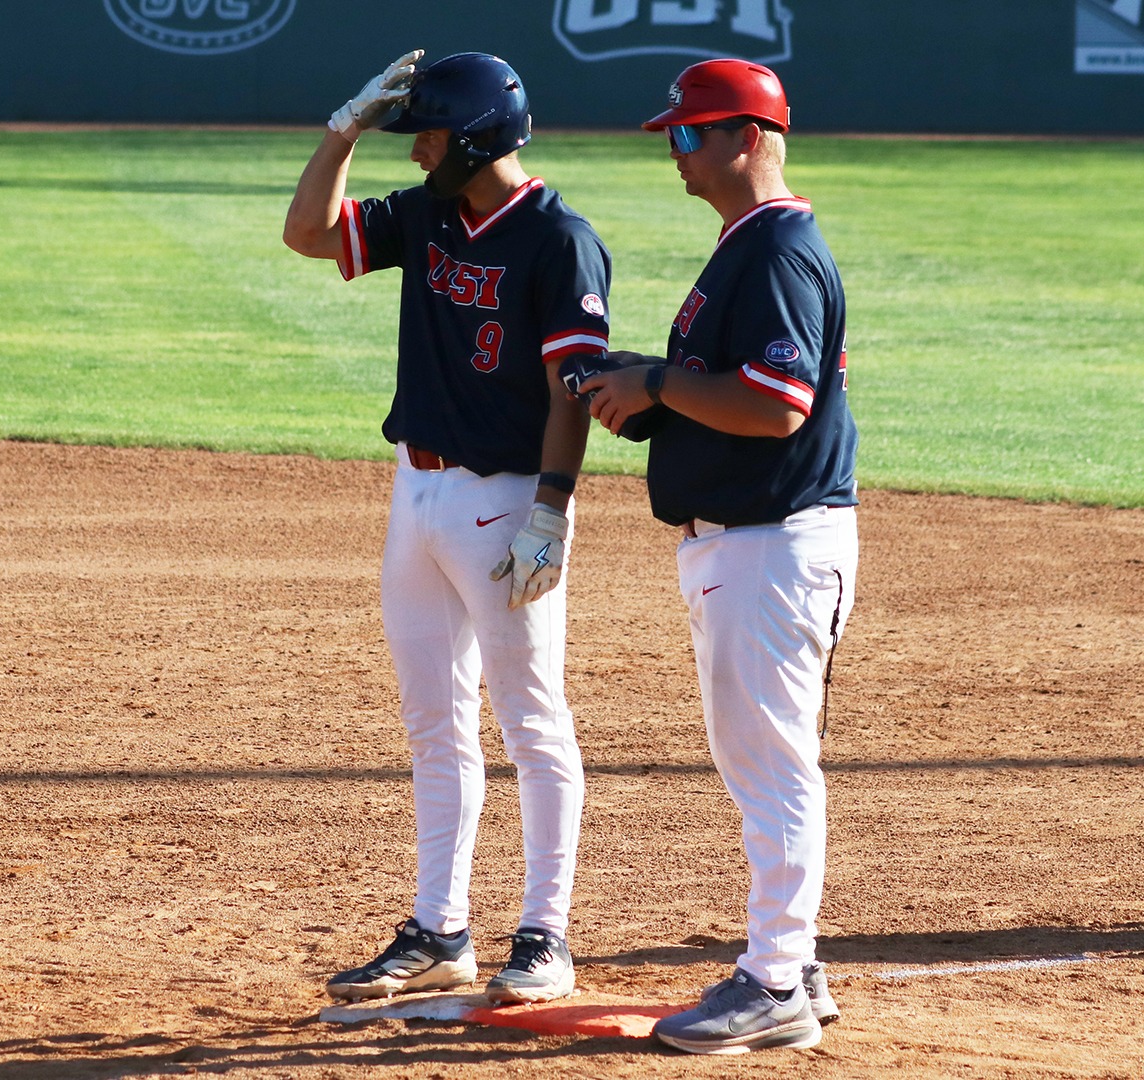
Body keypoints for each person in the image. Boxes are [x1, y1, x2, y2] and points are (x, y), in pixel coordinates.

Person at [281, 48, 611, 1005]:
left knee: (533, 723)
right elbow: (308, 234)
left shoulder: (558, 240)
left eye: (426, 129)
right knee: (434, 721)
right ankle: (440, 929)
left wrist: (552, 509)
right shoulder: (427, 211)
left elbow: (570, 389)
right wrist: (341, 132)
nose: (415, 146)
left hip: (507, 501)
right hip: (415, 497)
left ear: (474, 138)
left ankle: (545, 938)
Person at [573, 58, 857, 1054]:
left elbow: (777, 405)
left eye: (690, 138)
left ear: (746, 137)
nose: (676, 158)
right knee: (765, 763)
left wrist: (655, 380)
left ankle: (776, 979)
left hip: (772, 545)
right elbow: (722, 389)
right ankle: (797, 966)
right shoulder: (750, 245)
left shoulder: (775, 249)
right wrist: (647, 399)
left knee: (771, 769)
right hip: (754, 542)